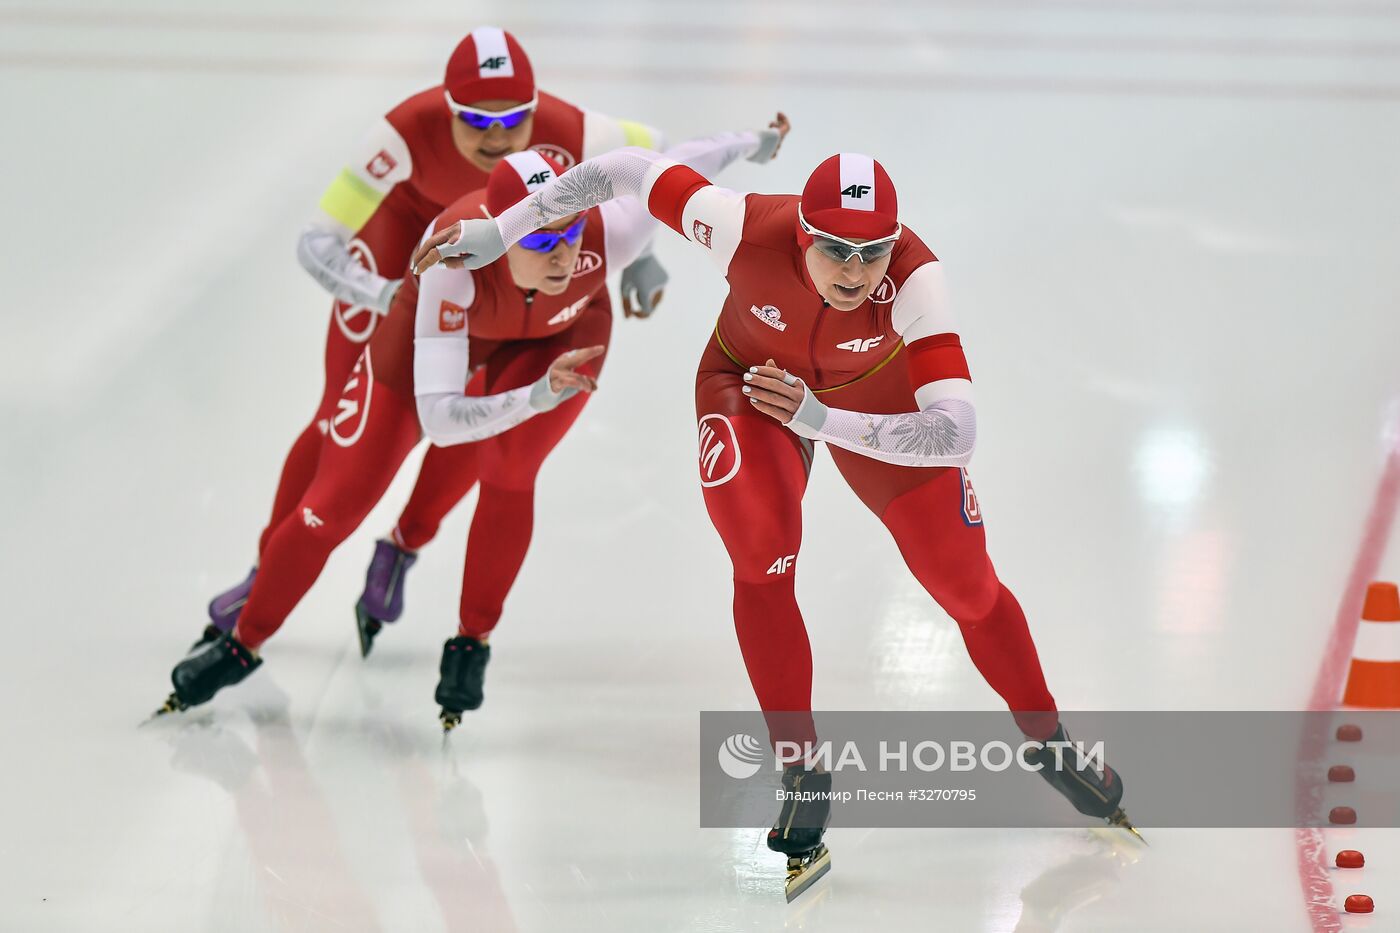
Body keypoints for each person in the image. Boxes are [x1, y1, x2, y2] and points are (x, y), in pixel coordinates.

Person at [411, 147, 1138, 900]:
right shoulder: (743, 226)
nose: (853, 271)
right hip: (747, 383)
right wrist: (505, 232)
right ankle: (802, 767)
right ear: (801, 236)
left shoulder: (917, 280)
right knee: (763, 556)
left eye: (871, 251)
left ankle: (1049, 741)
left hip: (871, 405)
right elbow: (625, 169)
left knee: (966, 587)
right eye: (833, 248)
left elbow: (955, 431)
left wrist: (825, 417)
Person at [159, 120, 790, 730]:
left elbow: (684, 164)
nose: (564, 253)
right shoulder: (452, 258)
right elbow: (440, 421)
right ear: (502, 233)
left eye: (570, 231)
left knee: (512, 472)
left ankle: (468, 637)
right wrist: (529, 398)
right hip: (429, 345)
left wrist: (756, 141)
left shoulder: (610, 233)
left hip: (561, 338)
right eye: (540, 241)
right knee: (336, 504)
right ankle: (245, 643)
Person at [200, 26, 672, 655]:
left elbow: (661, 159)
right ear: (446, 107)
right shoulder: (404, 131)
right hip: (407, 254)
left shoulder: (580, 130)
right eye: (475, 120)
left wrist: (644, 254)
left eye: (515, 121)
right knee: (341, 414)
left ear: (538, 108)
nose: (497, 138)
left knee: (483, 415)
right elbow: (318, 239)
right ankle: (270, 569)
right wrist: (385, 293)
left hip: (510, 272)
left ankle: (406, 542)